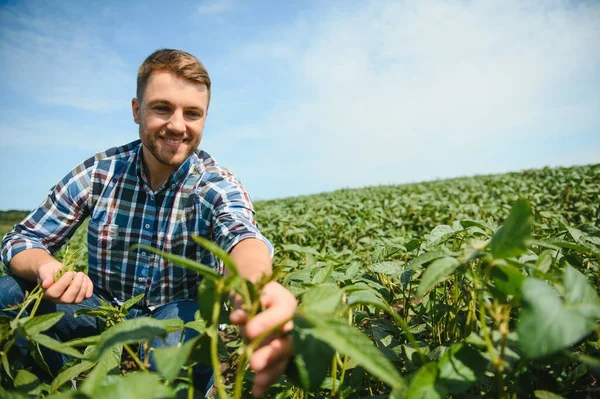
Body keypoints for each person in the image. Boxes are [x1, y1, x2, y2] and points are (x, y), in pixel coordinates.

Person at [0, 48, 296, 397]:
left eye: (192, 113)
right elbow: (22, 239)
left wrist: (257, 288)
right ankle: (69, 384)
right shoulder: (101, 171)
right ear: (136, 110)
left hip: (176, 312)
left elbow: (242, 236)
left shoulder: (214, 182)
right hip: (103, 307)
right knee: (8, 291)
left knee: (177, 331)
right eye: (162, 108)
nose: (177, 125)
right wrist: (45, 267)